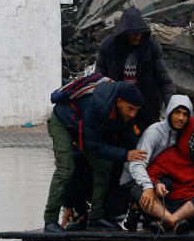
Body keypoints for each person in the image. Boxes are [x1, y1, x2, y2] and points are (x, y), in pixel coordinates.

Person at [44, 80, 146, 233]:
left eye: (136, 110)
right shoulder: (98, 105)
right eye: (130, 108)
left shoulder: (126, 113)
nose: (133, 114)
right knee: (65, 168)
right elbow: (94, 145)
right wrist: (126, 154)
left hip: (83, 125)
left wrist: (143, 154)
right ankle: (50, 220)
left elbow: (129, 136)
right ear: (118, 102)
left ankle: (96, 217)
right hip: (64, 123)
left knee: (104, 165)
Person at [121, 94, 194, 223]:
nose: (180, 118)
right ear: (169, 112)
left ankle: (165, 223)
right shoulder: (154, 132)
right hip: (136, 176)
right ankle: (166, 219)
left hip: (172, 193)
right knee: (140, 189)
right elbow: (137, 164)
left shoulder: (183, 133)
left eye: (185, 114)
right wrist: (150, 186)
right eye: (177, 112)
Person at [95, 8, 176, 132]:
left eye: (141, 32)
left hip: (146, 106)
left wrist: (173, 106)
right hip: (118, 106)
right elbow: (99, 79)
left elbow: (164, 81)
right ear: (124, 33)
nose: (138, 35)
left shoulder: (151, 48)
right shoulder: (109, 46)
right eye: (134, 32)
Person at [143, 117, 194, 233]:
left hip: (192, 213)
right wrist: (157, 184)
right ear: (190, 138)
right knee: (138, 188)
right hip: (167, 208)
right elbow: (147, 176)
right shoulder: (168, 156)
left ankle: (166, 224)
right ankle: (172, 221)